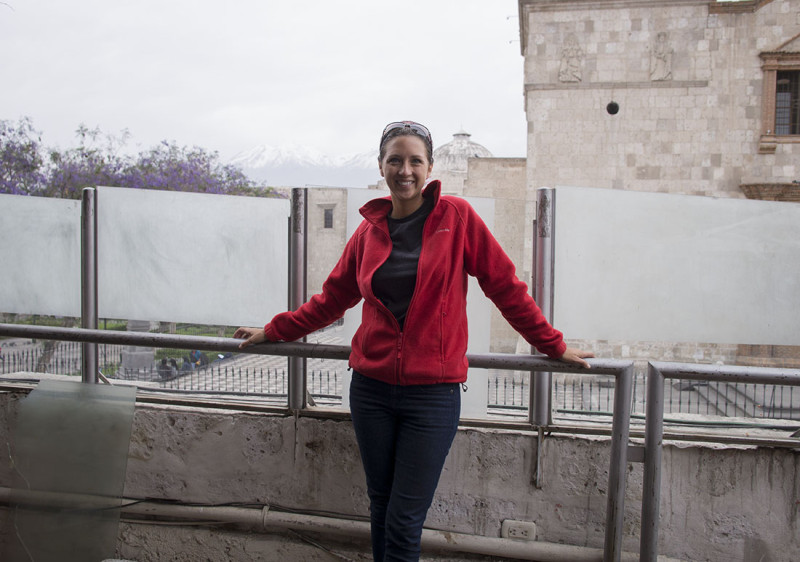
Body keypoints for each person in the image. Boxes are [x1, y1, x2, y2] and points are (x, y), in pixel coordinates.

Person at [234, 120, 594, 562]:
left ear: (429, 167)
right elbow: (331, 300)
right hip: (371, 390)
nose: (405, 170)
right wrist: (274, 330)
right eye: (395, 160)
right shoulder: (368, 232)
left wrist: (552, 345)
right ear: (382, 166)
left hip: (432, 396)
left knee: (404, 521)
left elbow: (504, 286)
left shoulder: (456, 218)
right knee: (381, 507)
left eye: (414, 161)